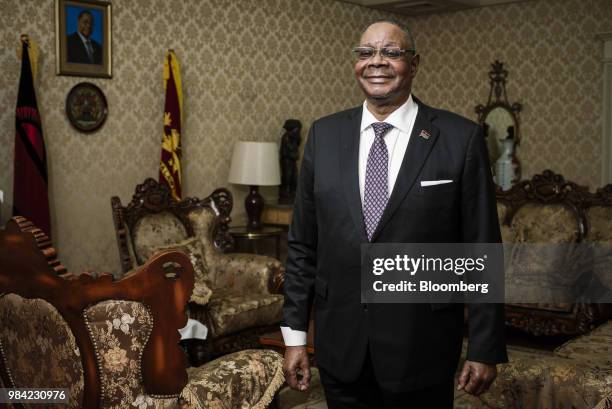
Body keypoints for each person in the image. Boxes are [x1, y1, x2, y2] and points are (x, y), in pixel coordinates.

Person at [281, 20, 507, 409]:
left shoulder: (459, 138)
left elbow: (481, 249)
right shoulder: (324, 135)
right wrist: (295, 337)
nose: (377, 62)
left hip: (423, 347)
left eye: (391, 52)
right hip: (342, 346)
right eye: (366, 53)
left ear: (414, 64)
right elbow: (302, 246)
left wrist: (485, 347)